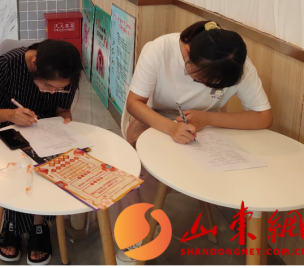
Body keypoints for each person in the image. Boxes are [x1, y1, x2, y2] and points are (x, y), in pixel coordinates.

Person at [115, 20, 273, 263]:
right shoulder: (160, 50)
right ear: (187, 53)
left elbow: (263, 117)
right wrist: (170, 128)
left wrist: (207, 118)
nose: (206, 87)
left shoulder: (235, 65)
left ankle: (141, 223)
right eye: (201, 79)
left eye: (214, 86)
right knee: (137, 169)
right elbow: (135, 103)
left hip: (202, 126)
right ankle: (135, 233)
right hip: (153, 118)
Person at [0, 39, 82, 267]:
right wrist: (10, 115)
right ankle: (16, 223)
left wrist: (65, 123)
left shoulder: (68, 71)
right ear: (34, 64)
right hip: (2, 123)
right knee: (19, 158)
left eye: (60, 89)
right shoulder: (7, 65)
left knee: (49, 160)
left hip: (42, 127)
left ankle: (35, 223)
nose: (53, 92)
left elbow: (62, 110)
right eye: (49, 86)